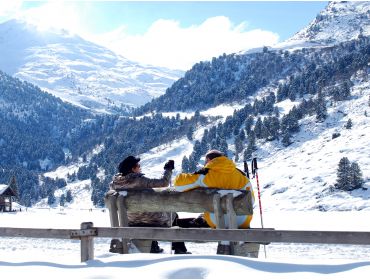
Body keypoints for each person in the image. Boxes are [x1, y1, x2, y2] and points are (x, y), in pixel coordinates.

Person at [110, 155, 190, 254]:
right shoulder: (139, 180)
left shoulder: (115, 184)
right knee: (173, 215)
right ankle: (180, 249)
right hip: (152, 220)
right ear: (132, 169)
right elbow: (163, 183)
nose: (140, 167)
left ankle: (154, 247)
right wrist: (168, 169)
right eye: (138, 165)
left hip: (130, 221)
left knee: (148, 214)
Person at [174, 149, 255, 229]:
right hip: (242, 221)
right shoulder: (242, 175)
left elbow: (179, 185)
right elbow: (252, 200)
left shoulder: (206, 174)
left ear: (209, 160)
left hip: (216, 221)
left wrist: (179, 176)